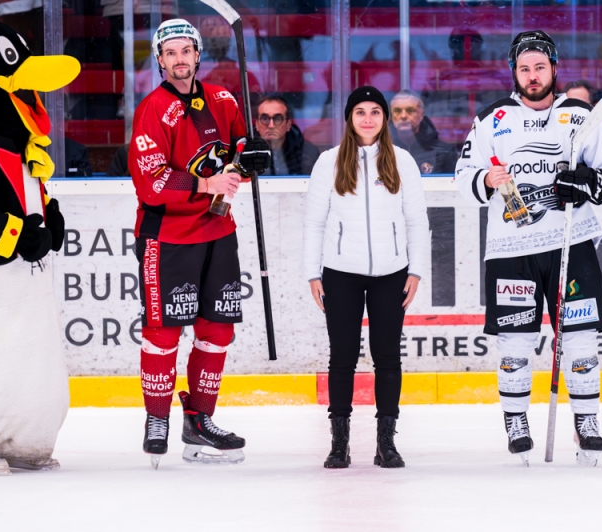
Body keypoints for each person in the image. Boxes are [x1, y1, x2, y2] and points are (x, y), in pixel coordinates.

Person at [455, 30, 602, 466]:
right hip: (512, 249)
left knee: (582, 340)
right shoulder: (493, 119)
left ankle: (587, 422)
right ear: (514, 72)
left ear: (553, 68)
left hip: (572, 243)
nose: (532, 76)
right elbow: (462, 178)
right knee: (515, 343)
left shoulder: (580, 115)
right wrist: (485, 180)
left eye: (540, 67)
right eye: (524, 68)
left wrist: (589, 182)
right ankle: (516, 422)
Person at [128, 18, 271, 468]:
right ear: (160, 60)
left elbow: (238, 140)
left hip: (218, 231)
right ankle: (157, 419)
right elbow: (150, 182)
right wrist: (208, 186)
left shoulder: (223, 98)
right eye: (169, 53)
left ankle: (200, 420)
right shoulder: (153, 108)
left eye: (185, 50)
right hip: (168, 236)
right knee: (164, 331)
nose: (179, 59)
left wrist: (249, 153)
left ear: (197, 54)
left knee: (217, 330)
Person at [302, 86, 430, 469]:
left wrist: (416, 269)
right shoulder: (328, 162)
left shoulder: (402, 161)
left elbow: (416, 220)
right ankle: (339, 443)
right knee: (342, 357)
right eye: (361, 111)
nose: (369, 118)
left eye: (376, 111)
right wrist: (312, 272)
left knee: (387, 357)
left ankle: (385, 442)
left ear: (385, 119)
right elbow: (314, 221)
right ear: (349, 118)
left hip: (392, 274)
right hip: (340, 272)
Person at [388, 90, 457, 175]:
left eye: (410, 110)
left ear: (421, 114)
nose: (403, 116)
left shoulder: (444, 152)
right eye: (397, 111)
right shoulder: (380, 151)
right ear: (391, 116)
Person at [256, 94, 319, 175]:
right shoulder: (244, 154)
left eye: (278, 119)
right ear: (257, 124)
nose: (271, 125)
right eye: (265, 118)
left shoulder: (308, 153)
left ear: (288, 124)